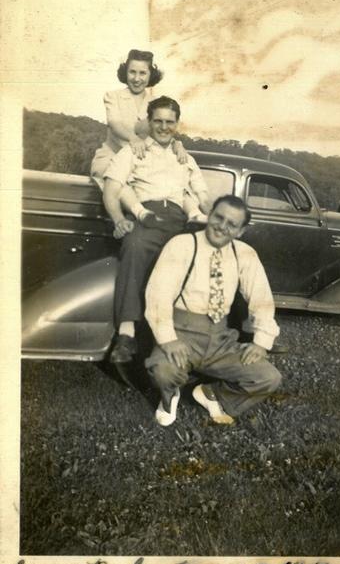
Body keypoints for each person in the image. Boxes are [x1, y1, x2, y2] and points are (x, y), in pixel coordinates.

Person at [144, 195, 282, 426]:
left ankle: (214, 396)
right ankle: (169, 397)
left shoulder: (244, 253)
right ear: (209, 215)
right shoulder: (183, 244)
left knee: (269, 378)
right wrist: (167, 339)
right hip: (182, 331)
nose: (222, 226)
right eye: (219, 217)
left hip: (221, 338)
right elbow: (158, 294)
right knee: (164, 371)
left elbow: (262, 299)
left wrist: (261, 341)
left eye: (232, 224)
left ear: (240, 231)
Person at [103, 96, 210, 363]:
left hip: (181, 219)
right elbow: (111, 190)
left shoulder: (185, 157)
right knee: (135, 245)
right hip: (147, 215)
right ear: (149, 122)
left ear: (178, 124)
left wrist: (219, 216)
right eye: (158, 121)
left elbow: (203, 196)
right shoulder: (133, 151)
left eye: (169, 122)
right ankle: (126, 335)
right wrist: (119, 220)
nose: (164, 127)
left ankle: (200, 333)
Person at [91, 48, 203, 224]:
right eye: (132, 72)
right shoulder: (113, 96)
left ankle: (189, 214)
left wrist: (177, 144)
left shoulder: (156, 101)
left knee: (170, 183)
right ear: (125, 72)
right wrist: (133, 139)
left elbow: (163, 128)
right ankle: (139, 213)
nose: (137, 78)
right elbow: (115, 123)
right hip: (112, 155)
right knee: (114, 179)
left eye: (142, 73)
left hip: (140, 160)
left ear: (151, 75)